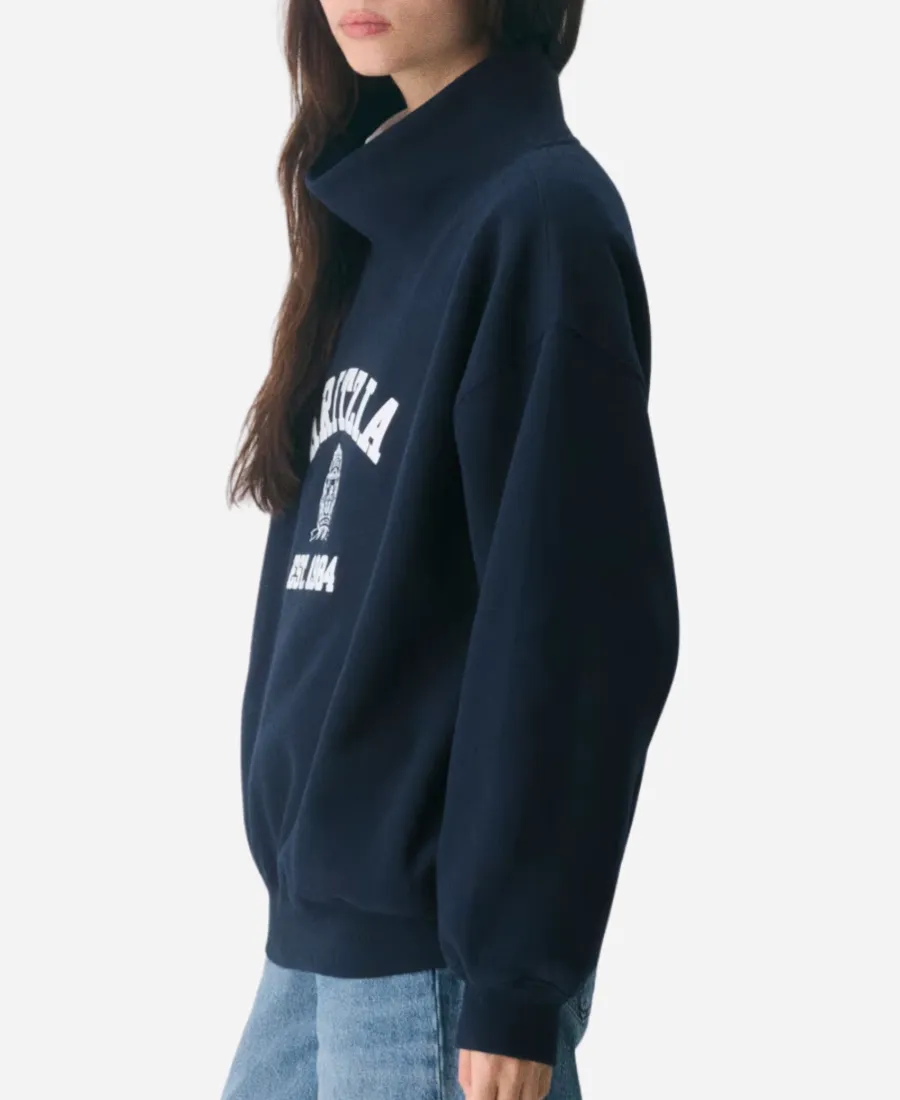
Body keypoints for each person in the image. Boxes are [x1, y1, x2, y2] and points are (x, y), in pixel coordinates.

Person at [220, 0, 679, 1097]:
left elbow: (579, 629)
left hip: (429, 968)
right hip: (315, 944)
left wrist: (513, 980)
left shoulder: (541, 219)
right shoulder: (377, 213)